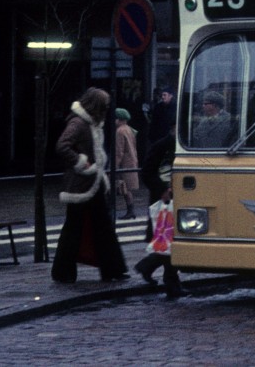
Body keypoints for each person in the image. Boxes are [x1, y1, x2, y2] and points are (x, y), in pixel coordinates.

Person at [51, 87, 129, 283]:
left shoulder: (91, 123)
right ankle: (66, 272)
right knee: (77, 228)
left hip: (91, 181)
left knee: (97, 227)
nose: (107, 109)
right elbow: (62, 145)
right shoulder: (78, 123)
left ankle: (111, 269)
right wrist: (81, 162)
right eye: (104, 106)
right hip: (82, 182)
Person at [135, 132, 185, 298]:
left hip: (177, 197)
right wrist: (162, 189)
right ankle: (170, 282)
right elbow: (147, 171)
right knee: (169, 240)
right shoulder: (162, 145)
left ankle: (150, 267)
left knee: (172, 240)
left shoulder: (184, 143)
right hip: (163, 200)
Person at [114, 108, 140, 219]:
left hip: (124, 164)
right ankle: (131, 210)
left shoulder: (120, 131)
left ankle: (130, 211)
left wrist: (114, 166)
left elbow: (119, 151)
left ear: (119, 119)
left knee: (124, 188)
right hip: (132, 161)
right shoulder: (129, 129)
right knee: (126, 188)